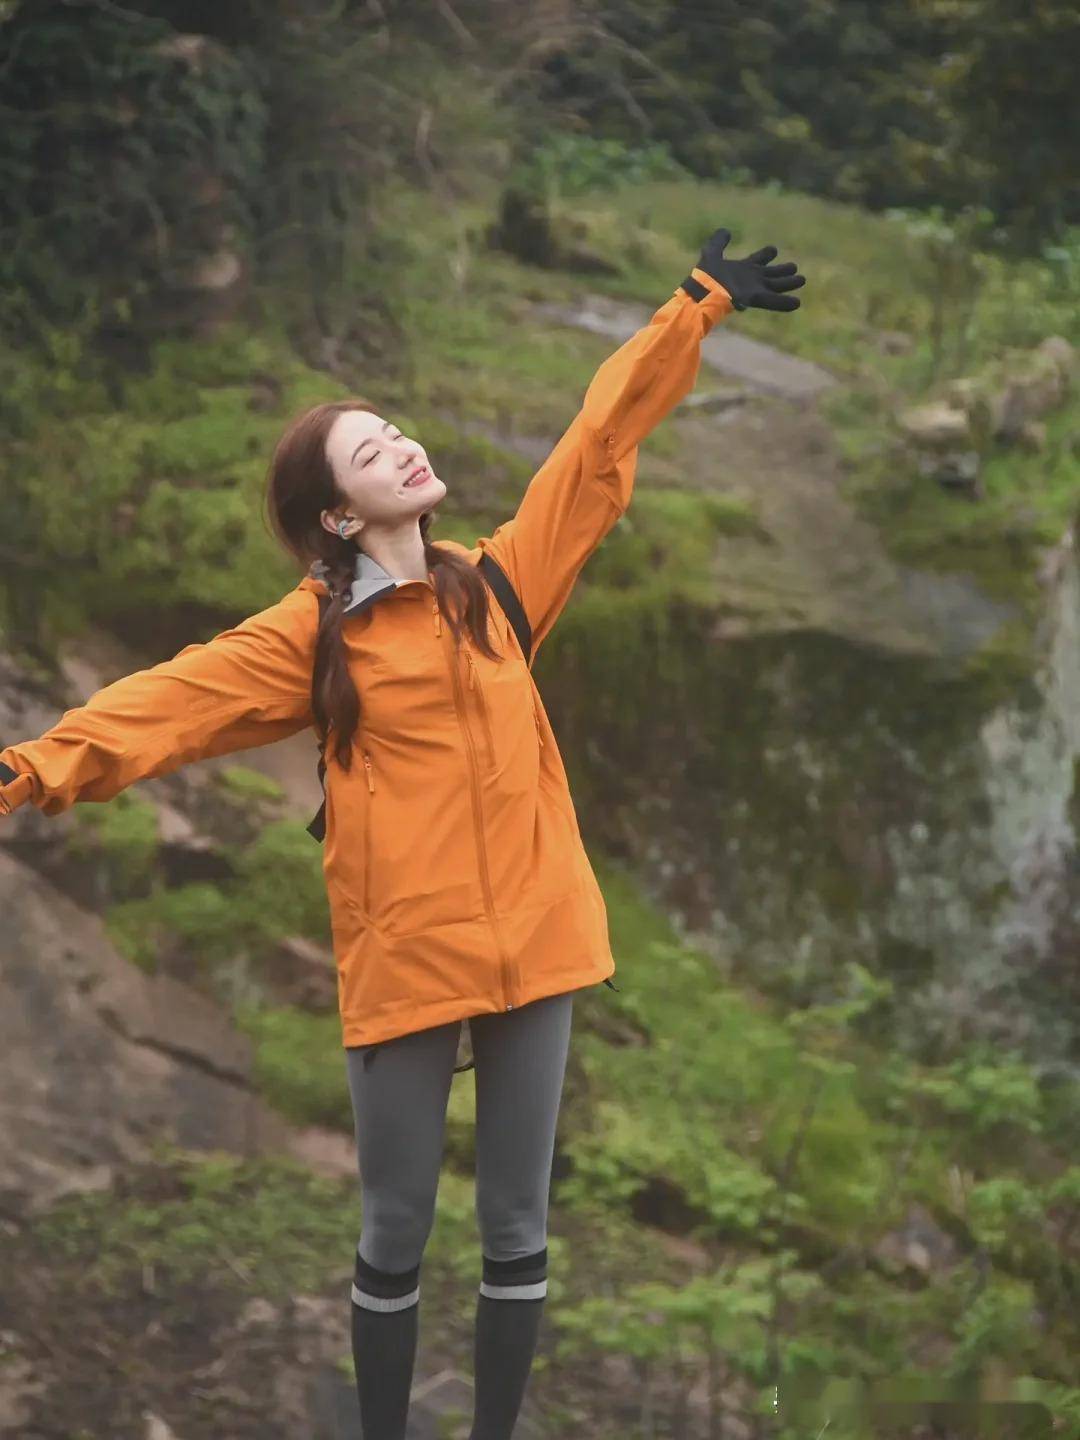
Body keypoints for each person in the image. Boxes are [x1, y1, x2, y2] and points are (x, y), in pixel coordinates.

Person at [0, 226, 804, 1438]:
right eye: (373, 450)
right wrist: (24, 772)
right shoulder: (309, 637)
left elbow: (595, 451)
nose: (405, 446)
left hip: (537, 943)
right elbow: (164, 706)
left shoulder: (500, 587)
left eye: (399, 430)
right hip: (409, 958)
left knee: (518, 1229)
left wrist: (691, 312)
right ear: (335, 510)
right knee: (395, 1229)